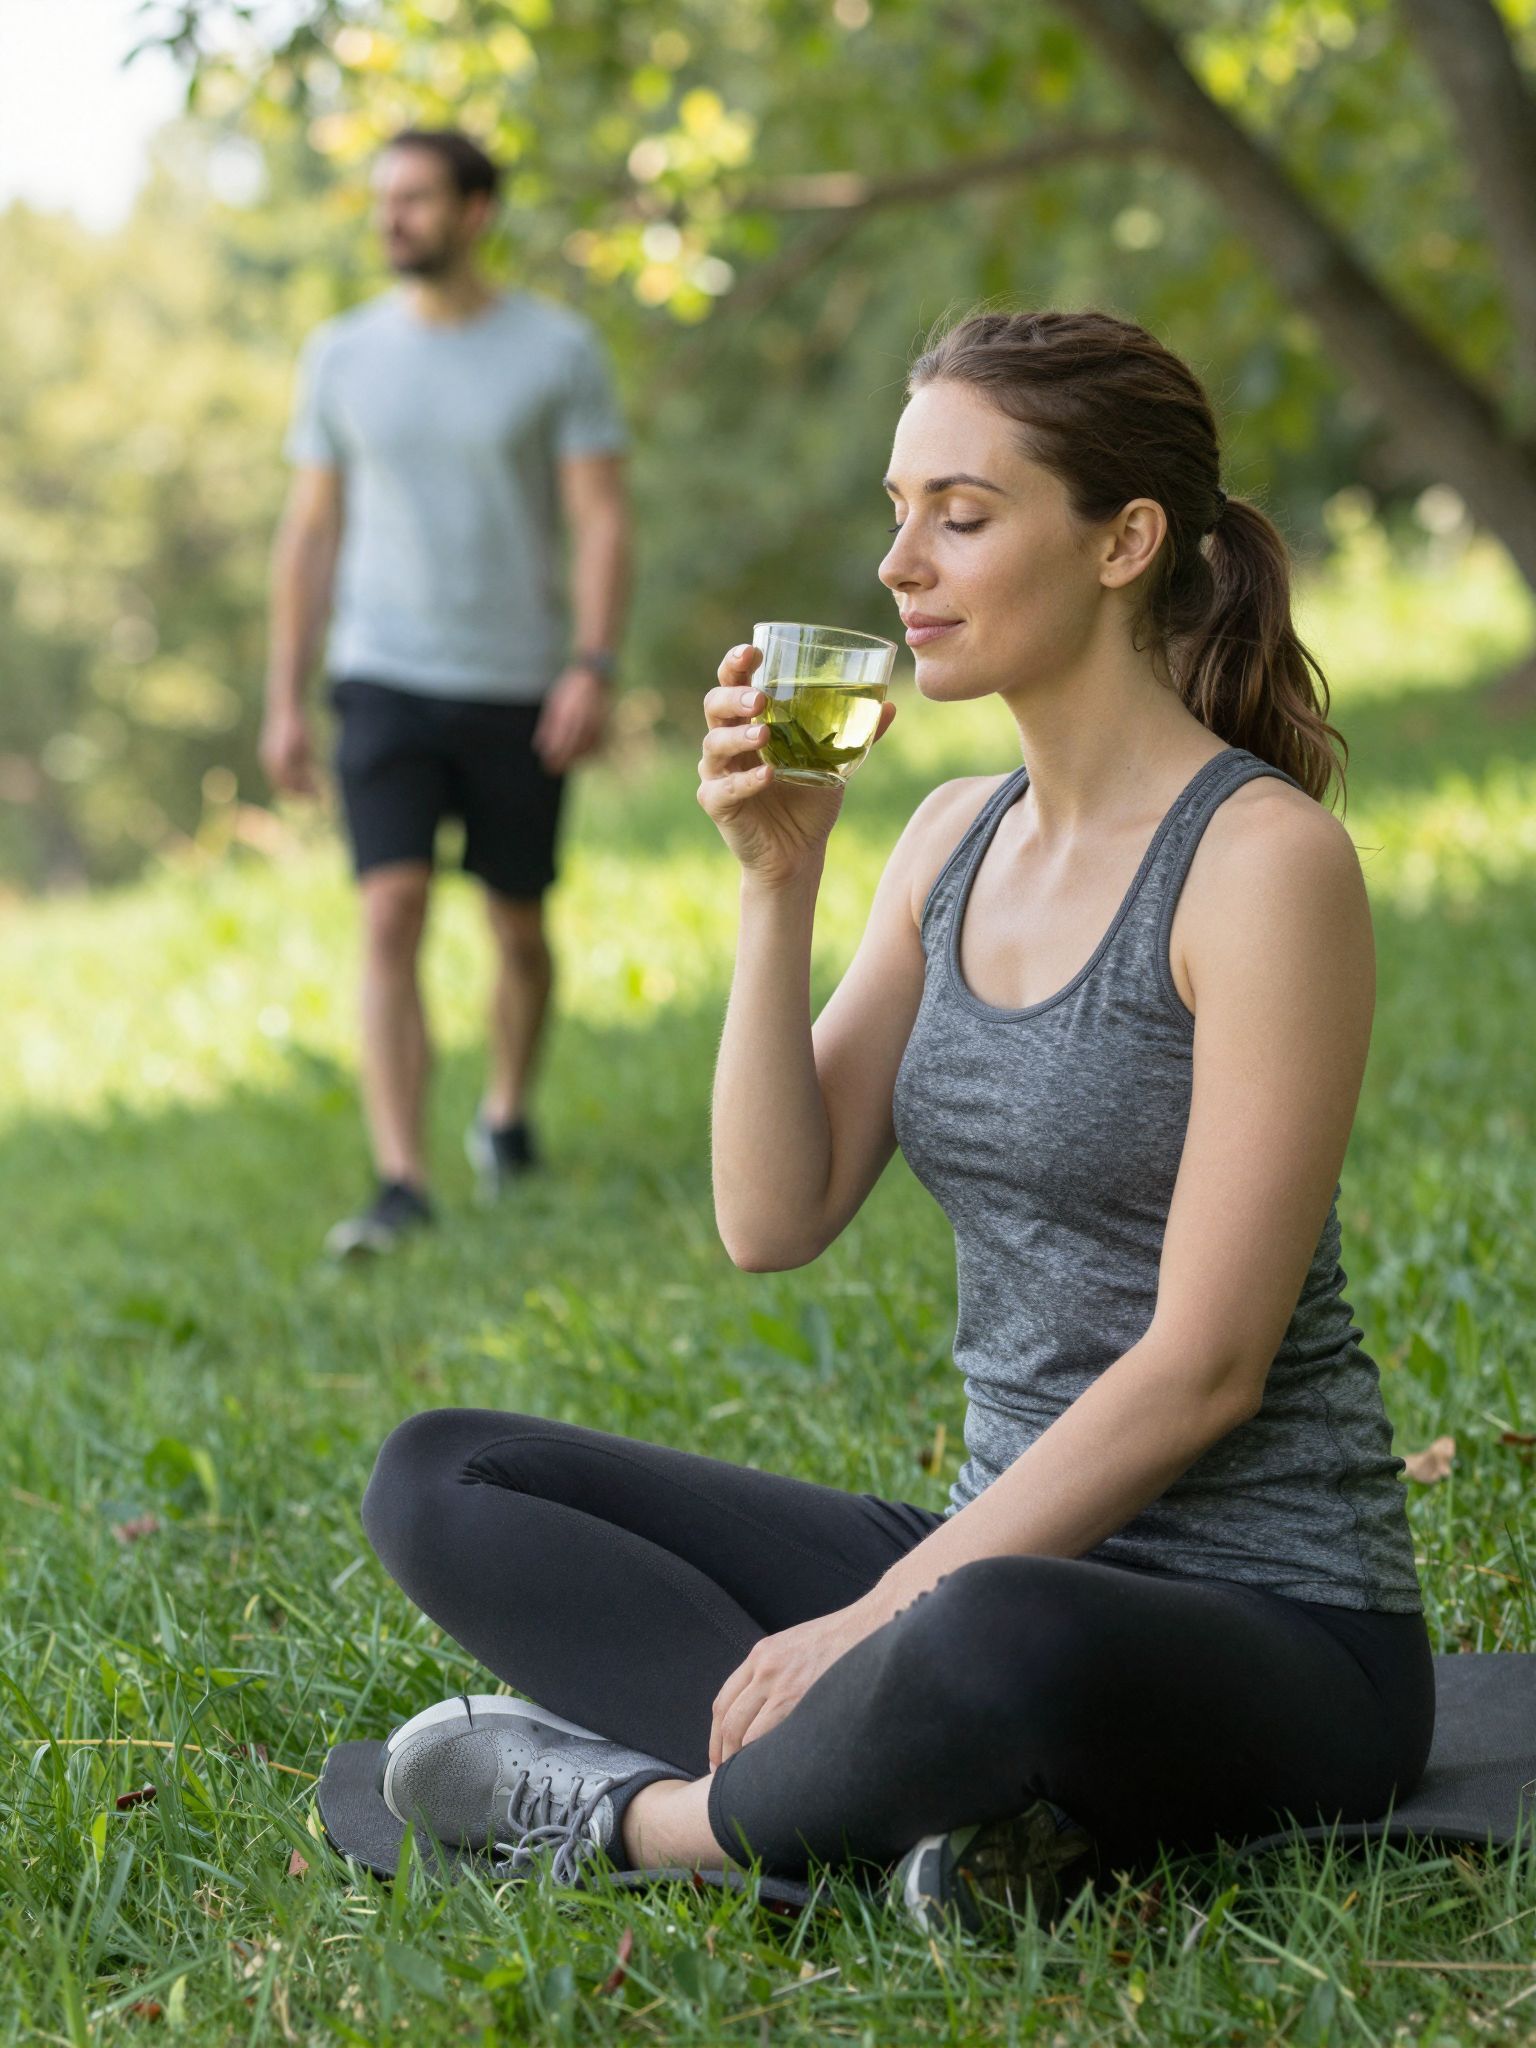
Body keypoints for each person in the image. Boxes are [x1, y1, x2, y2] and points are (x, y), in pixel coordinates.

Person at [356, 310, 1434, 1927]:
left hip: (1270, 1615)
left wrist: (882, 1615)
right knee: (446, 1473)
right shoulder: (947, 836)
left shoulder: (1261, 864)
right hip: (989, 1544)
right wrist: (774, 882)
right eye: (897, 506)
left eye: (963, 512)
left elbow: (1205, 1365)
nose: (900, 562)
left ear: (1125, 540)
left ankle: (644, 1823)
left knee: (993, 1639)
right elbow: (768, 1217)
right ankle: (928, 1810)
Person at [262, 128, 630, 1257]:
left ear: (477, 210)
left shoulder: (558, 350)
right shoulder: (341, 354)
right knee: (391, 911)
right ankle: (402, 1177)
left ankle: (507, 1112)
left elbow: (599, 515)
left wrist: (592, 661)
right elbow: (310, 529)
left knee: (517, 923)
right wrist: (283, 693)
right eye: (384, 199)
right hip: (380, 674)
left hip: (518, 681)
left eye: (416, 198)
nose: (392, 219)